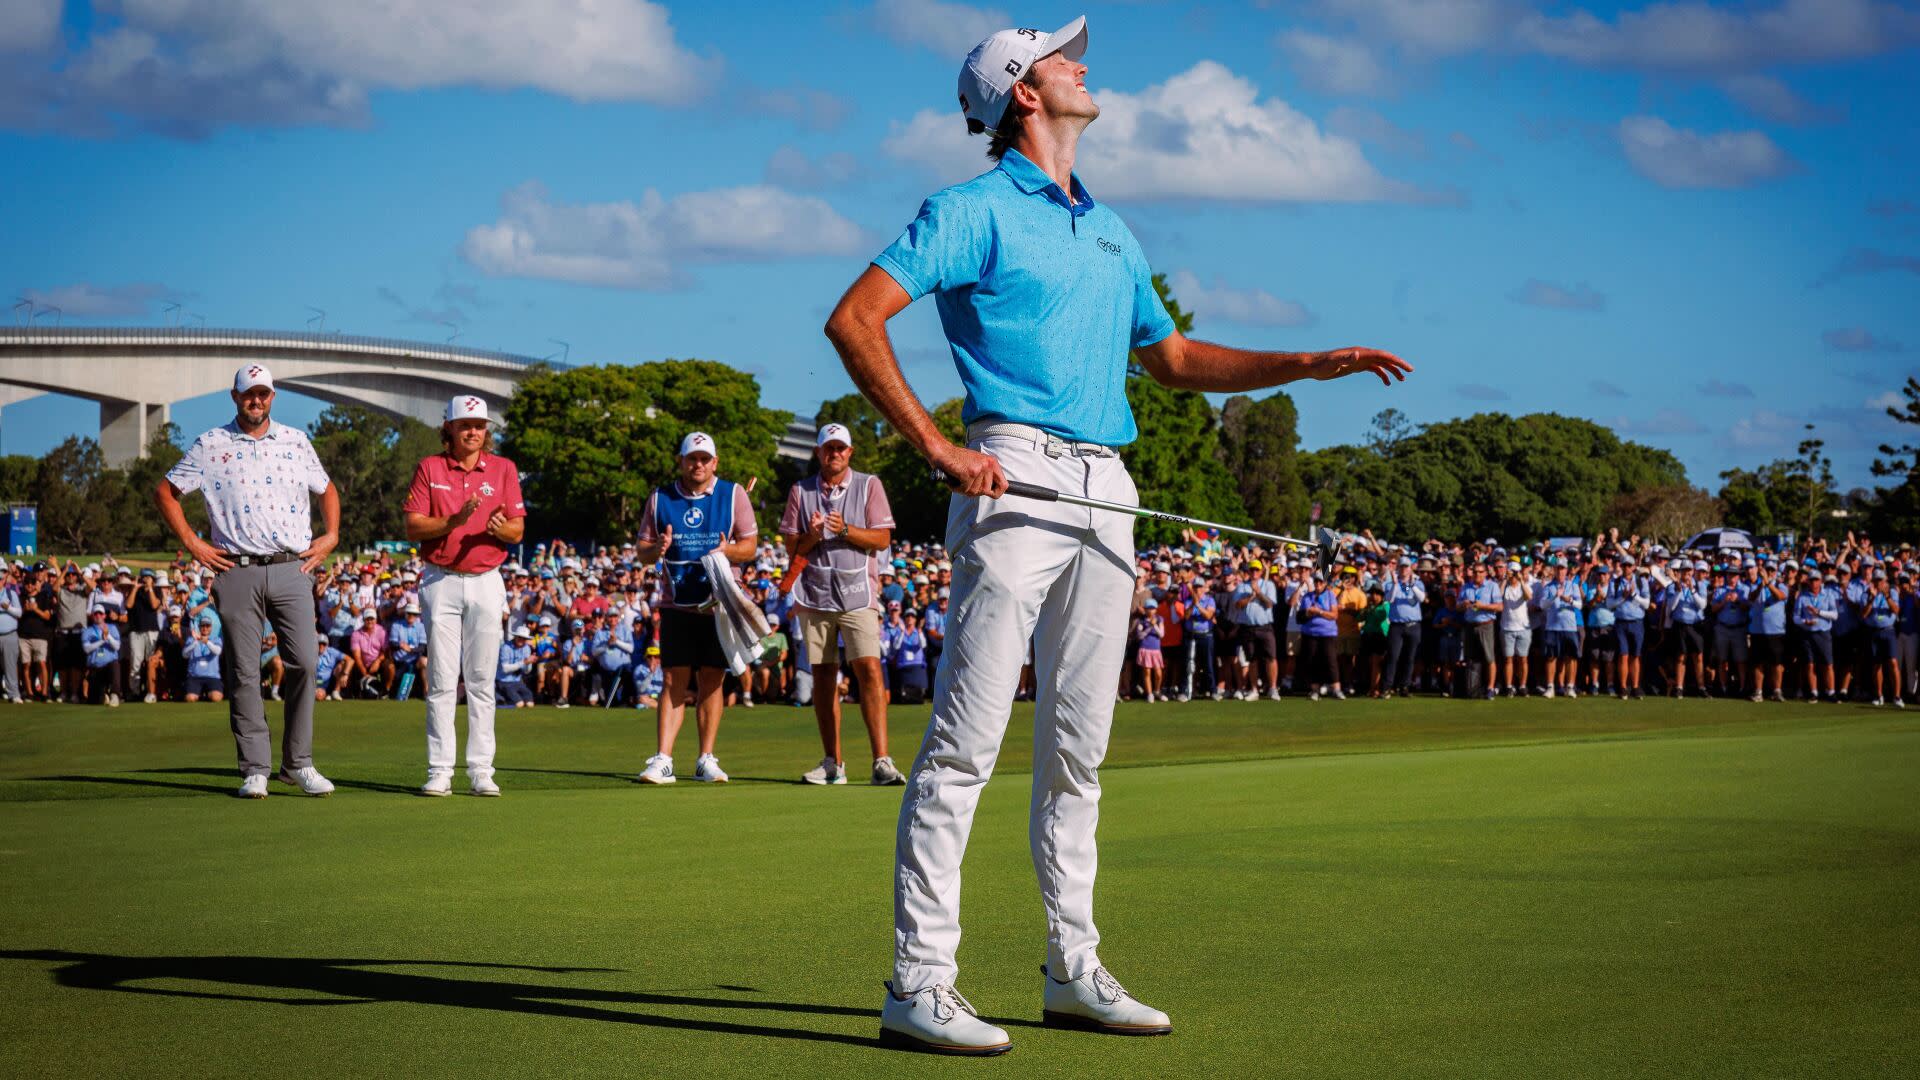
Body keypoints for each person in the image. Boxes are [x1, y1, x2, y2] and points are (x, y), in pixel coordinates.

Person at [826, 15, 1410, 1051]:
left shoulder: (1108, 225)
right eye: (1062, 55)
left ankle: (1072, 968)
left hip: (1108, 486)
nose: (1083, 62)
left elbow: (1173, 357)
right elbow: (856, 318)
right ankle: (918, 982)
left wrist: (1307, 363)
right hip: (1014, 473)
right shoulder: (969, 208)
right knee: (965, 748)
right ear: (1023, 92)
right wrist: (938, 451)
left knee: (1078, 754)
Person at [154, 363, 338, 798]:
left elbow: (327, 489)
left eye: (264, 394)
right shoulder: (210, 444)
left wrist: (330, 536)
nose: (257, 401)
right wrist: (195, 544)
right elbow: (165, 492)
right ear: (235, 397)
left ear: (272, 397)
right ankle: (255, 768)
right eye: (248, 394)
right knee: (242, 671)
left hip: (292, 566)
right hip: (235, 568)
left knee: (306, 663)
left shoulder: (296, 440)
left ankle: (299, 763)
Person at [402, 394, 525, 797]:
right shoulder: (431, 467)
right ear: (449, 428)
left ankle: (480, 770)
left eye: (480, 425)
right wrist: (452, 521)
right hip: (441, 579)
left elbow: (517, 531)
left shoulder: (504, 468)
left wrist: (496, 528)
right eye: (465, 425)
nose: (474, 431)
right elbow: (414, 527)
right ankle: (440, 769)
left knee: (481, 680)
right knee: (440, 678)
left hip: (488, 578)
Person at [780, 422, 906, 786]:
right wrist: (813, 535)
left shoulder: (869, 485)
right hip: (816, 594)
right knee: (821, 675)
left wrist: (845, 529)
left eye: (840, 448)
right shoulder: (800, 491)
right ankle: (833, 763)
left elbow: (882, 539)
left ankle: (881, 760)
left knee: (869, 669)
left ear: (849, 453)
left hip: (858, 595)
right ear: (818, 452)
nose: (834, 454)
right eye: (828, 448)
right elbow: (792, 547)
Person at [633, 432, 758, 785]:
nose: (698, 464)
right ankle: (663, 759)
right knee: (673, 679)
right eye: (692, 458)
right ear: (682, 461)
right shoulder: (660, 497)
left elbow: (749, 547)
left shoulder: (732, 495)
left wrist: (727, 551)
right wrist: (656, 547)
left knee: (712, 680)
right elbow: (641, 552)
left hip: (718, 602)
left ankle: (706, 758)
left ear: (714, 462)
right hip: (676, 601)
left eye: (705, 459)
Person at [1383, 558, 1426, 697]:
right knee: (1393, 656)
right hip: (1397, 626)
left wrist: (1411, 584)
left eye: (1406, 567)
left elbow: (1421, 598)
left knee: (1409, 657)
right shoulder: (1390, 584)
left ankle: (1404, 687)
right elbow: (1389, 599)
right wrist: (1396, 584)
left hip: (1413, 625)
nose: (1404, 569)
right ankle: (1387, 686)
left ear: (1410, 568)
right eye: (1401, 567)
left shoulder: (1417, 583)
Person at [81, 607, 122, 706]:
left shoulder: (112, 628)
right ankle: (104, 696)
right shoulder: (87, 631)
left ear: (104, 615)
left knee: (115, 665)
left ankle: (114, 695)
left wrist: (108, 636)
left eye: (100, 613)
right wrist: (102, 641)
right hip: (95, 668)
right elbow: (86, 649)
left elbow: (117, 646)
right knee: (95, 701)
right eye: (95, 614)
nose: (98, 615)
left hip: (109, 666)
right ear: (92, 616)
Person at [387, 603, 427, 700]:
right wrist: (400, 646)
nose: (411, 616)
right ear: (405, 614)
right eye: (409, 613)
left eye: (414, 614)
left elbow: (422, 647)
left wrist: (410, 649)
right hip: (399, 660)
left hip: (415, 660)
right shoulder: (396, 625)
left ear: (417, 615)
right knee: (389, 667)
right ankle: (386, 692)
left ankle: (426, 691)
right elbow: (392, 643)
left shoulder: (421, 626)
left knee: (424, 661)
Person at [182, 618, 224, 702]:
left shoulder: (216, 639)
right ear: (199, 627)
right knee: (190, 698)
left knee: (216, 698)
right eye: (203, 626)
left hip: (212, 677)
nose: (205, 628)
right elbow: (184, 655)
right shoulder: (191, 639)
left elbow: (218, 651)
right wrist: (196, 642)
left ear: (211, 628)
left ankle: (207, 694)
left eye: (207, 626)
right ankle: (199, 694)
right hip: (194, 677)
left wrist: (207, 642)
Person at [496, 626, 536, 709]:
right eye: (520, 637)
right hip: (504, 682)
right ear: (515, 637)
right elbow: (505, 669)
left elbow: (526, 671)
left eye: (524, 638)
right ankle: (499, 702)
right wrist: (524, 662)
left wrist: (529, 663)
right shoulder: (506, 647)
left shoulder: (527, 648)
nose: (522, 640)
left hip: (518, 681)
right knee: (519, 704)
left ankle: (503, 700)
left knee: (530, 704)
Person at [0, 567, 20, 703]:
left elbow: (19, 613)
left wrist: (8, 608)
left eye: (0, 579)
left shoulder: (11, 593)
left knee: (10, 666)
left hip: (9, 634)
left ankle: (14, 694)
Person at [314, 636, 351, 701]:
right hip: (314, 682)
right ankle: (324, 695)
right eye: (319, 643)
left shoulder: (331, 651)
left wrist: (345, 675)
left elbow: (350, 660)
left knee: (341, 664)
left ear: (327, 645)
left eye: (323, 644)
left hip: (328, 682)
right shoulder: (310, 653)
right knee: (319, 696)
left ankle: (335, 692)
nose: (321, 646)